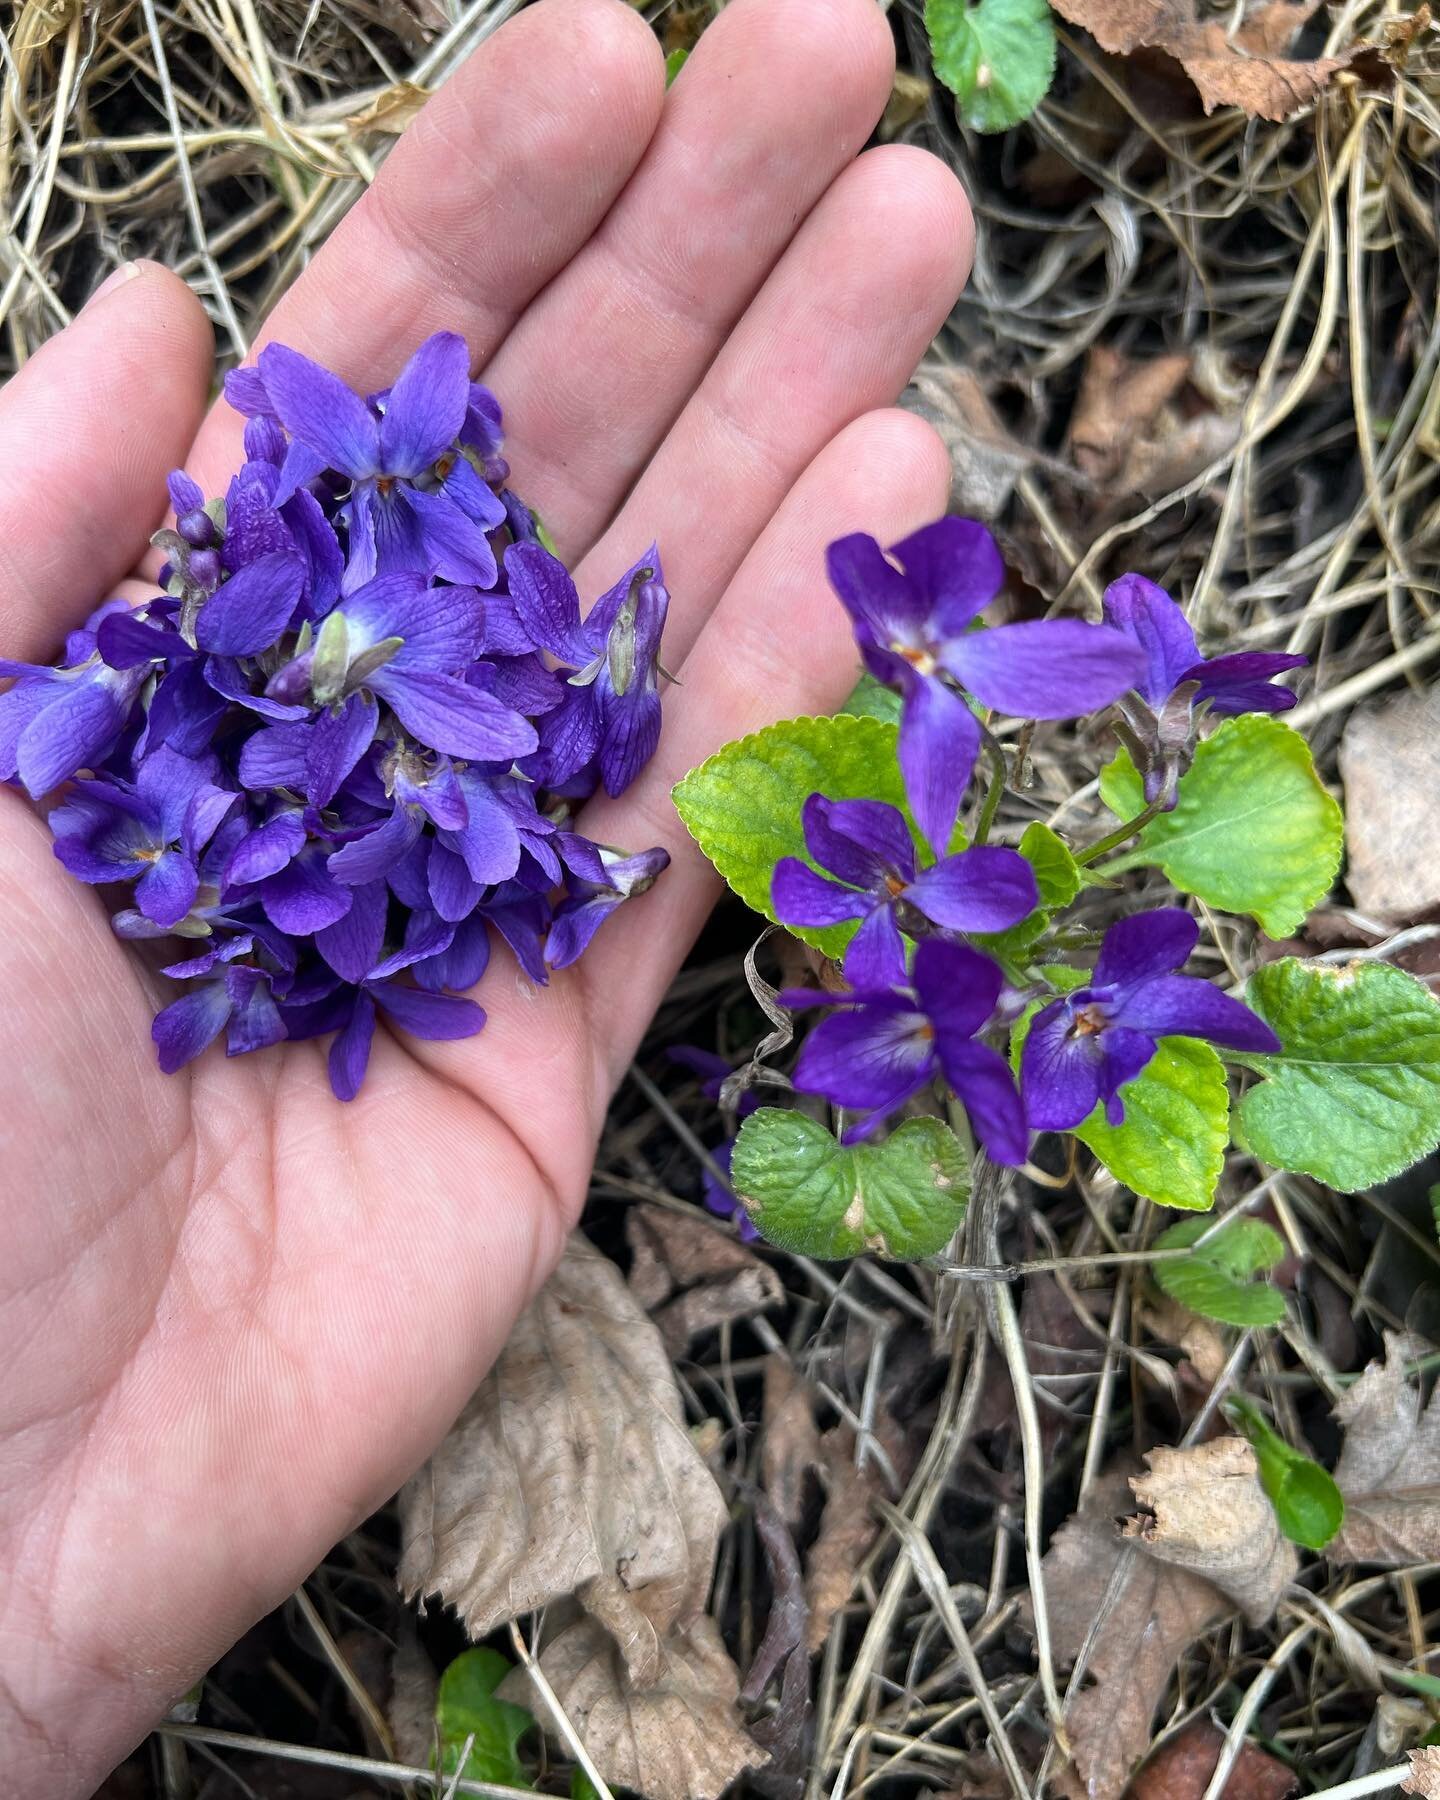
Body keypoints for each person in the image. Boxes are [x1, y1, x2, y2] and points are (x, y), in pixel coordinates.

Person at [0, 0, 971, 1788]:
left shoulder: (429, 623)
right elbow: (242, 728)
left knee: (450, 772)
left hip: (431, 830)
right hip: (349, 869)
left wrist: (476, 798)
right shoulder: (250, 660)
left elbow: (392, 693)